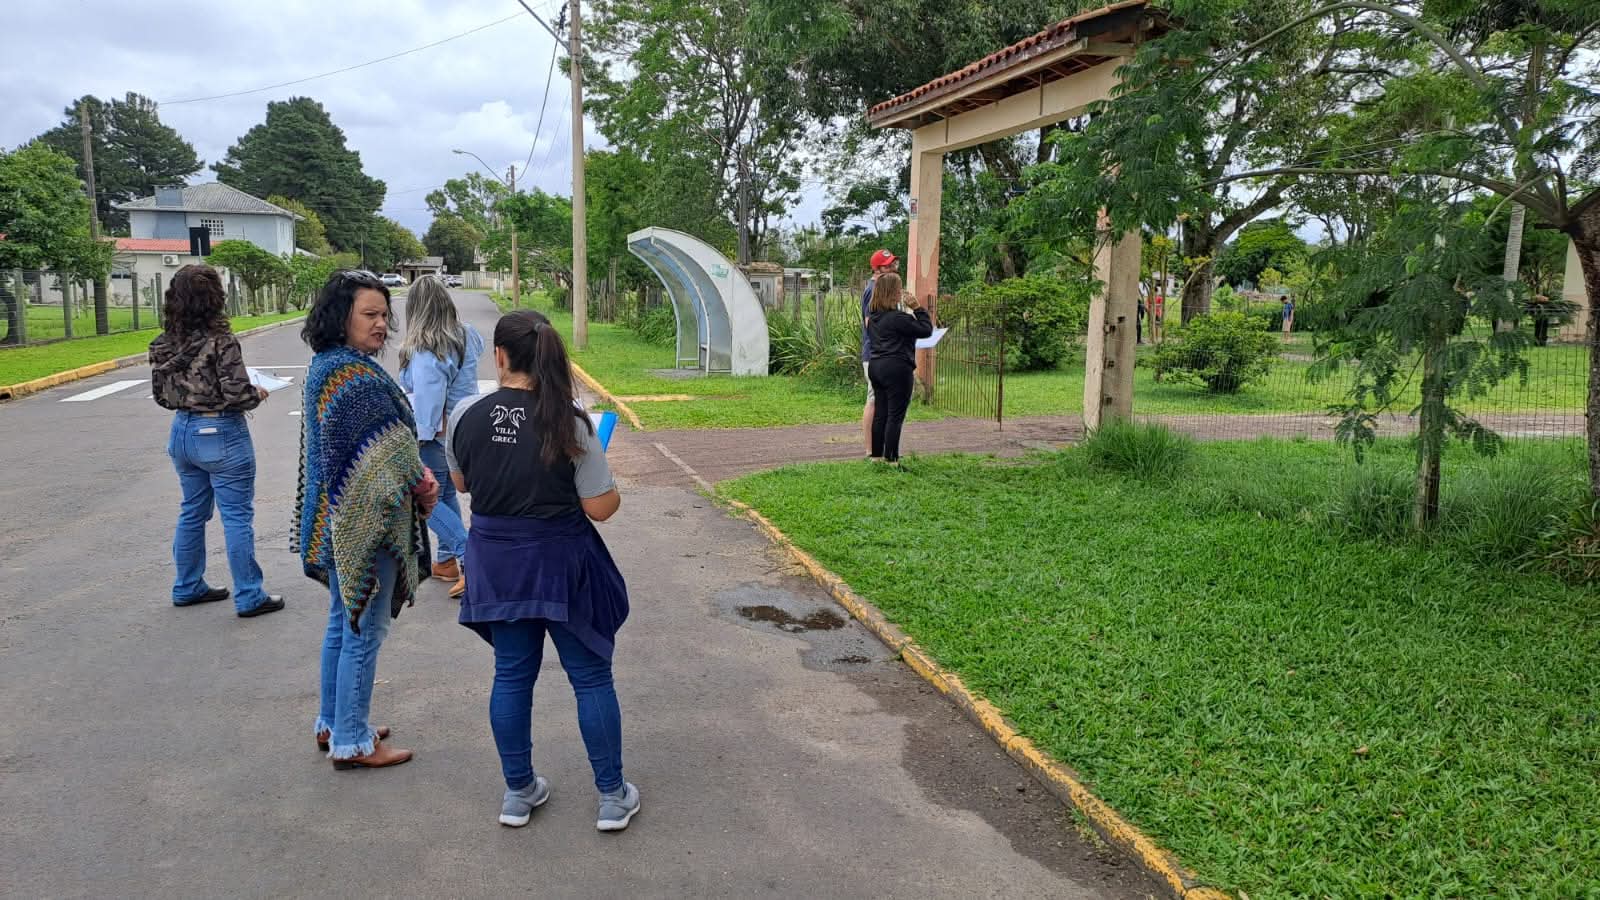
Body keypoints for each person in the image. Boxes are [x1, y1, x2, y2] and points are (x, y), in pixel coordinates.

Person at [446, 309, 636, 832]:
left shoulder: (464, 413)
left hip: (497, 562)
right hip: (561, 563)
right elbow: (600, 508)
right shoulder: (570, 421)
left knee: (511, 674)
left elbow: (461, 484)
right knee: (590, 676)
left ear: (500, 356)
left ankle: (519, 791)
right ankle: (612, 796)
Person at [294, 270, 439, 770]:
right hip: (366, 525)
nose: (381, 324)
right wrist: (424, 484)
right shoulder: (353, 378)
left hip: (338, 520)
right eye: (369, 315)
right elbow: (392, 455)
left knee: (342, 623)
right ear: (342, 318)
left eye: (384, 315)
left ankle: (333, 722)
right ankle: (353, 741)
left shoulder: (327, 366)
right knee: (363, 629)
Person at [149, 264, 284, 618]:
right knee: (237, 516)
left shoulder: (164, 343)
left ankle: (187, 584)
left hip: (182, 430)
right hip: (221, 431)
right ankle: (249, 594)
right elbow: (237, 394)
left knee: (192, 511)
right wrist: (257, 393)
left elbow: (162, 395)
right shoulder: (221, 341)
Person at [399, 274, 484, 599]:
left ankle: (469, 557)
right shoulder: (467, 335)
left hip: (437, 434)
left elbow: (428, 400)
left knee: (424, 499)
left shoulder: (427, 350)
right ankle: (447, 561)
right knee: (445, 493)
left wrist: (419, 439)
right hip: (465, 426)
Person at [866, 273, 933, 465]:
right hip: (897, 368)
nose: (901, 292)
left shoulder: (873, 318)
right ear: (893, 293)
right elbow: (926, 330)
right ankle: (891, 459)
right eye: (899, 289)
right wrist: (917, 308)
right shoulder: (898, 318)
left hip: (876, 366)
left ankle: (876, 456)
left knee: (881, 413)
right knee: (895, 415)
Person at [860, 249, 899, 455]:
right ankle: (870, 449)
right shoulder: (874, 290)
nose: (893, 268)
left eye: (894, 264)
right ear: (877, 269)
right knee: (874, 400)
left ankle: (880, 448)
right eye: (888, 265)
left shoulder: (883, 288)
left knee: (881, 401)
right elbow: (870, 324)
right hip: (875, 354)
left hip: (883, 353)